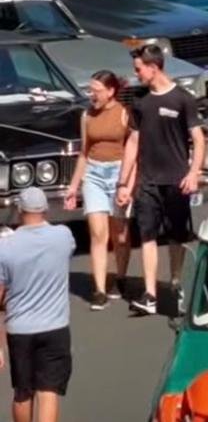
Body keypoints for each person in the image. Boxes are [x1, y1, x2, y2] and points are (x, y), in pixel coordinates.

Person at [116, 45, 205, 319]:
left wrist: (193, 172)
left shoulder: (182, 99)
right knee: (147, 236)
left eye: (139, 69)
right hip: (148, 181)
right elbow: (133, 141)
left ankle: (177, 284)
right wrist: (124, 183)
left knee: (177, 236)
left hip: (176, 181)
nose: (136, 75)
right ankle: (150, 293)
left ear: (153, 68)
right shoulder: (141, 102)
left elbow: (199, 139)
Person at [0, 187, 75, 422]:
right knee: (49, 390)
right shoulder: (63, 237)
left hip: (20, 329)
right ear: (45, 209)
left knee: (22, 391)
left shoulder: (6, 247)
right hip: (55, 326)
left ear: (20, 211)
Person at [62, 70, 132, 309]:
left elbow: (133, 150)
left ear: (110, 91)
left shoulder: (123, 114)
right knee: (98, 233)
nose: (92, 95)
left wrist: (128, 182)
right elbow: (84, 152)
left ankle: (120, 278)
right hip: (93, 173)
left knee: (119, 234)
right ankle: (100, 289)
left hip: (118, 173)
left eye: (97, 91)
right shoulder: (87, 115)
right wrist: (73, 186)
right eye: (90, 90)